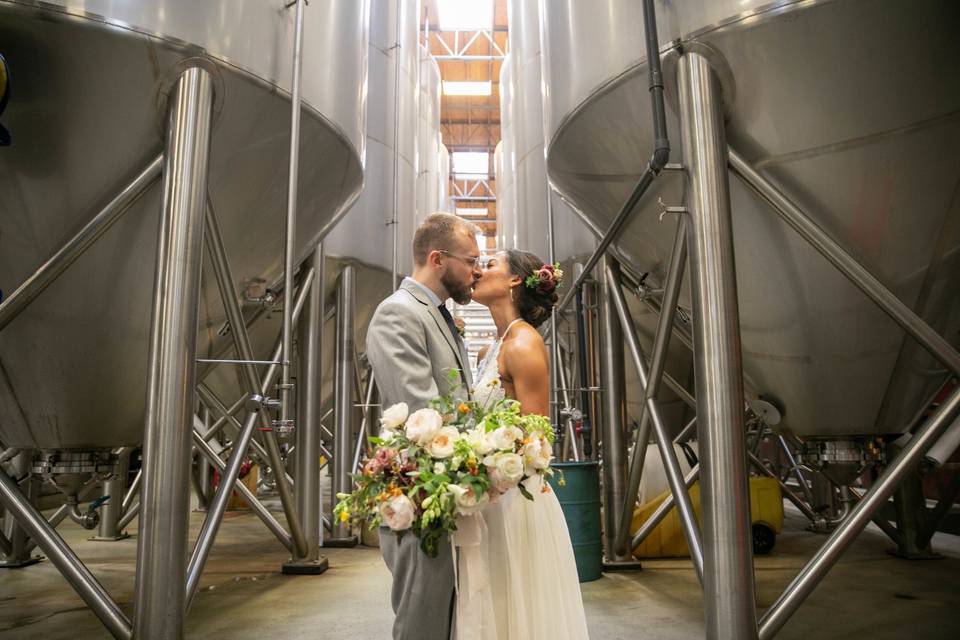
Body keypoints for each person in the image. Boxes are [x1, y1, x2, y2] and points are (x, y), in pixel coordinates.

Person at [366, 212, 484, 640]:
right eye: (471, 260)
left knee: (446, 612)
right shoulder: (398, 314)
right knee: (424, 617)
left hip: (445, 488)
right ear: (438, 258)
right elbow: (420, 409)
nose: (478, 270)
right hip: (418, 491)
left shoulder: (436, 313)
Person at [467, 249, 589, 640]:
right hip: (487, 493)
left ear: (514, 280)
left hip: (515, 498)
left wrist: (488, 475)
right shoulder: (492, 347)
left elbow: (537, 438)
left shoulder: (524, 344)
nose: (478, 271)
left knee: (515, 604)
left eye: (489, 266)